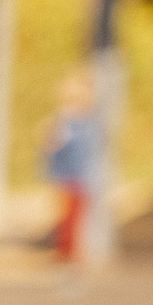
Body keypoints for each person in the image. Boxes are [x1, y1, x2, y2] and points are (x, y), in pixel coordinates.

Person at [42, 66, 104, 261]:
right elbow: (51, 147)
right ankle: (66, 256)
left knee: (77, 221)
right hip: (67, 179)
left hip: (82, 178)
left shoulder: (87, 121)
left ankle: (73, 257)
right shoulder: (64, 121)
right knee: (68, 221)